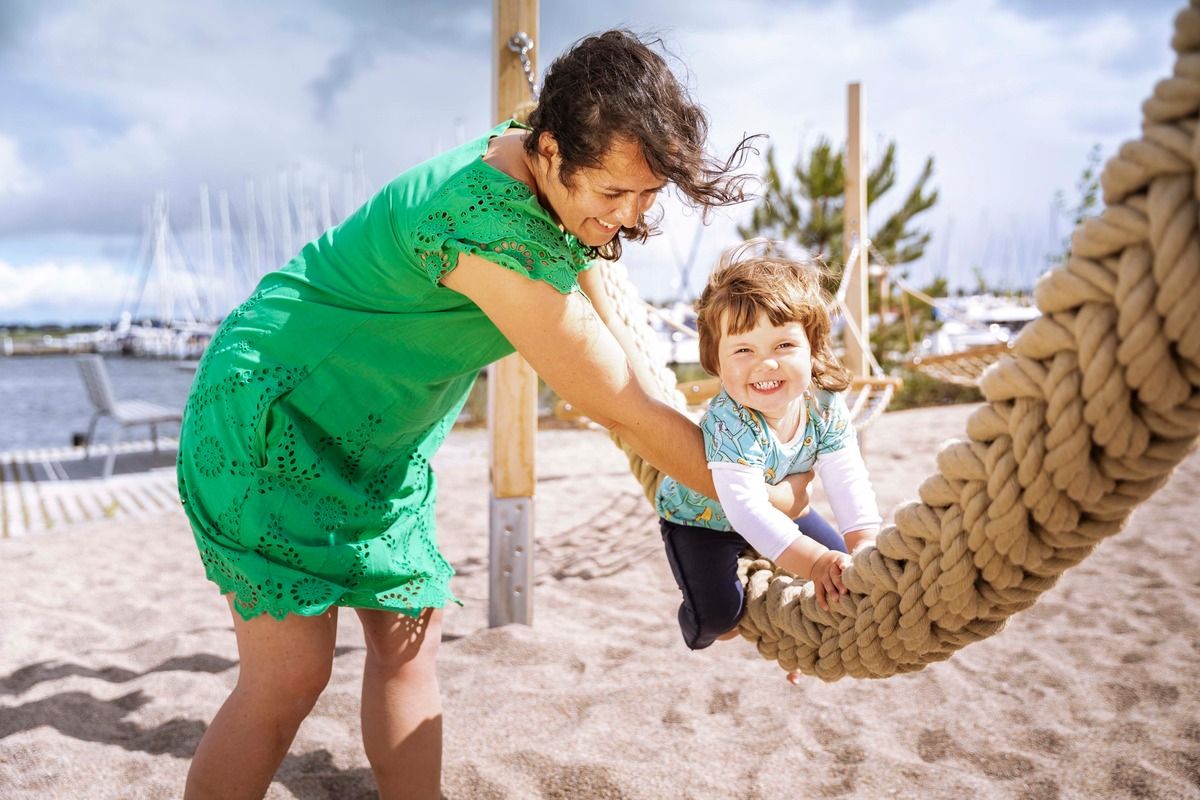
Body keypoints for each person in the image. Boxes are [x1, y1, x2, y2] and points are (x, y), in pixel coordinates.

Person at [177, 30, 812, 800]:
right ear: (548, 151)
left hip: (377, 440)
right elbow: (631, 408)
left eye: (646, 197)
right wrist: (775, 508)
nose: (630, 219)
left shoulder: (543, 155)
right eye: (612, 195)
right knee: (291, 676)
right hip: (277, 406)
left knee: (411, 635)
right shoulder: (492, 231)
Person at [656, 244, 882, 653]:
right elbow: (747, 509)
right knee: (721, 617)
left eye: (783, 346)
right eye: (744, 350)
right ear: (717, 363)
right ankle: (694, 622)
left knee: (846, 573)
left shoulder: (824, 404)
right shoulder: (731, 421)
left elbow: (847, 476)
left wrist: (863, 542)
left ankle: (799, 650)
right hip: (701, 521)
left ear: (813, 349)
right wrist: (812, 564)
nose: (766, 364)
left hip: (780, 510)